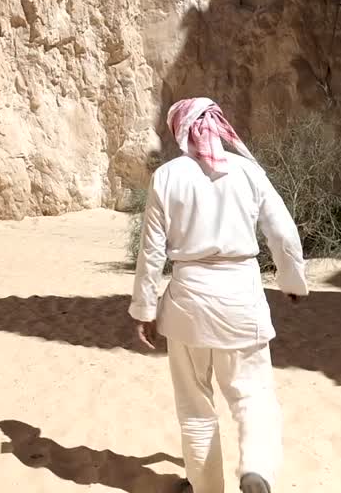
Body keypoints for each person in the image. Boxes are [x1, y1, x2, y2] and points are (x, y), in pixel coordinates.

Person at [129, 97, 310, 493]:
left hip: (187, 304)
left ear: (181, 131)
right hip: (241, 298)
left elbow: (152, 251)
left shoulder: (167, 176)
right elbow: (282, 232)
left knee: (195, 408)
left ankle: (204, 487)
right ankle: (256, 471)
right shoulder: (248, 172)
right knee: (253, 397)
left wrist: (144, 309)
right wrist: (292, 281)